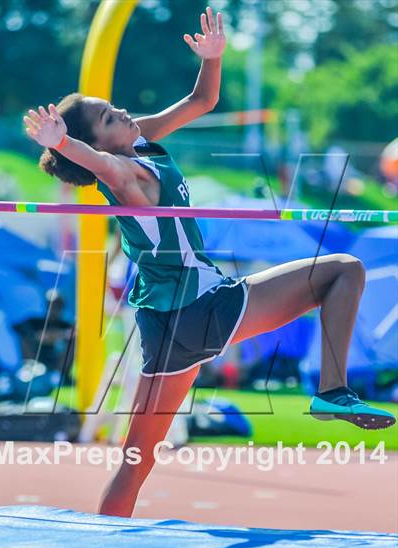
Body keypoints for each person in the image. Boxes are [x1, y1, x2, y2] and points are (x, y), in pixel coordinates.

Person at [23, 7, 395, 517]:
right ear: (98, 142)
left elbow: (203, 100)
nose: (124, 113)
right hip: (200, 306)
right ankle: (332, 389)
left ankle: (99, 545)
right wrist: (63, 143)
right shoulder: (125, 173)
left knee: (136, 462)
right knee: (344, 270)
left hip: (167, 323)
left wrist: (212, 60)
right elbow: (102, 163)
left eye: (116, 107)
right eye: (110, 118)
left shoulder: (140, 139)